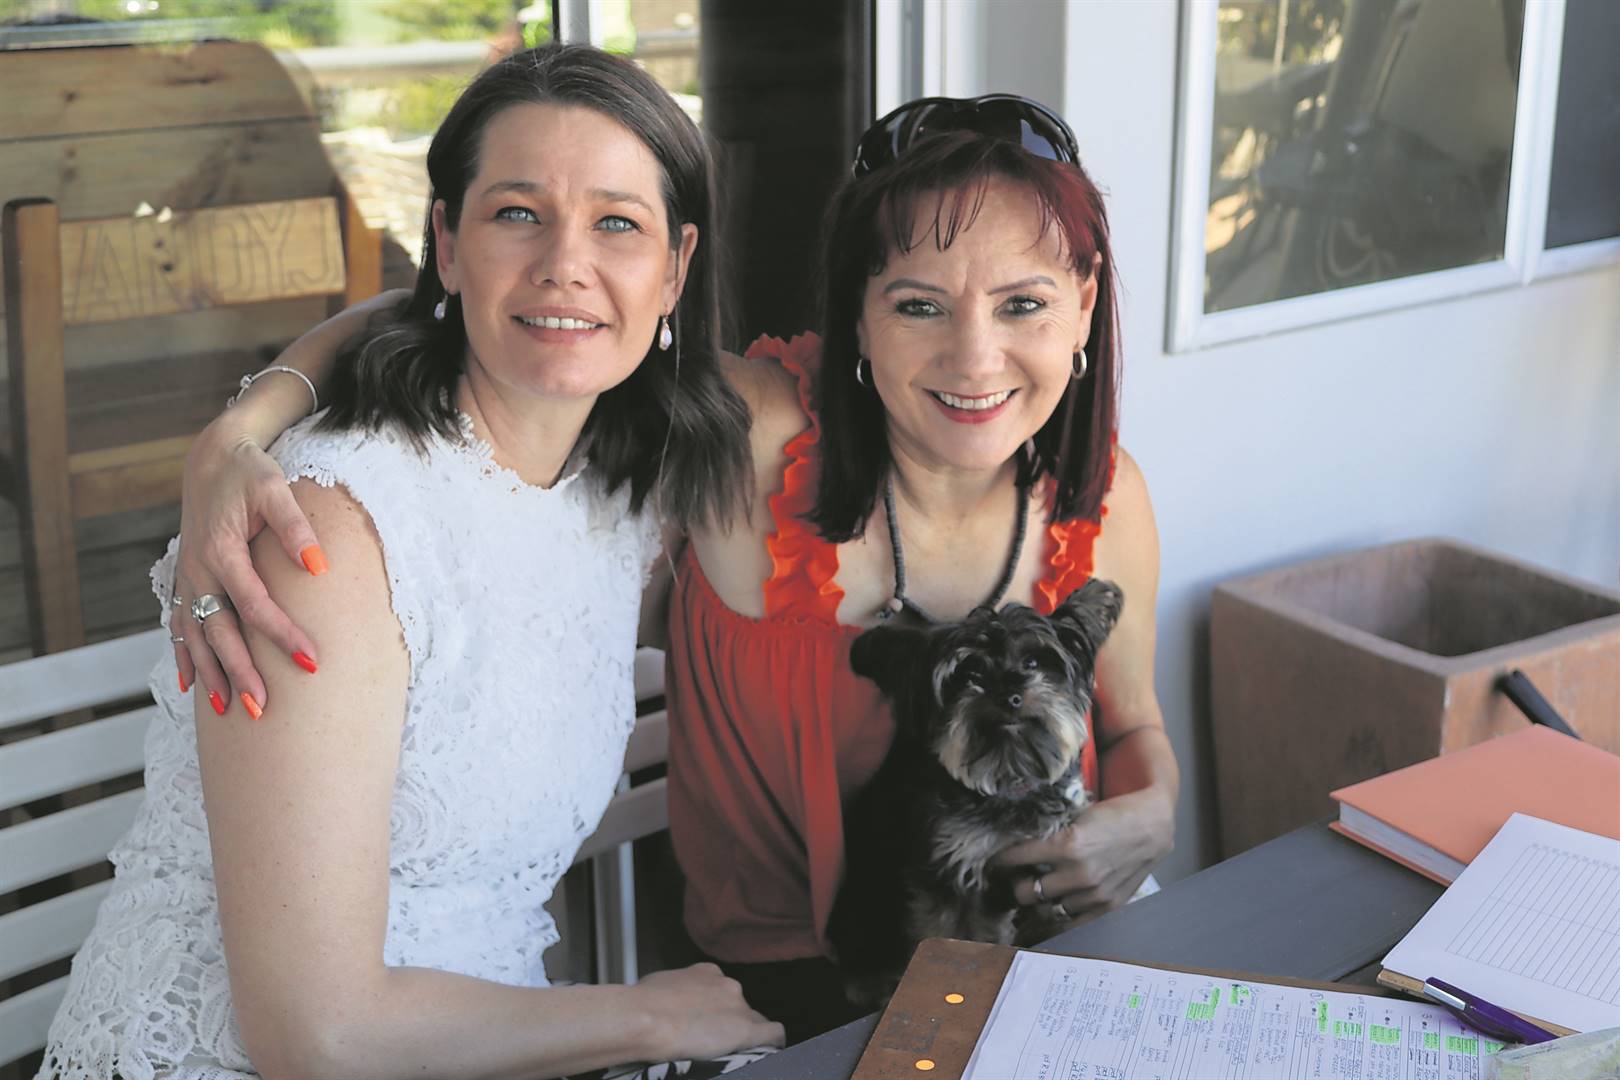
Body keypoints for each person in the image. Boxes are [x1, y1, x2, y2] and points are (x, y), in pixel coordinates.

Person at [171, 93, 1179, 1044]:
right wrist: (240, 428)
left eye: (1024, 304)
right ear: (858, 316)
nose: (975, 358)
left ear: (1084, 307)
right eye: (919, 306)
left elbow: (1131, 725)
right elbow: (486, 309)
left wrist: (1153, 811)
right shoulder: (747, 438)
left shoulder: (1105, 498)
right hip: (787, 995)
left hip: (1045, 961)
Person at [37, 45, 783, 1080]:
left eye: (618, 223)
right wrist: (649, 1017)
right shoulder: (332, 532)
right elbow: (320, 1037)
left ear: (677, 266)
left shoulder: (617, 485)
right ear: (447, 241)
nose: (565, 264)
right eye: (516, 213)